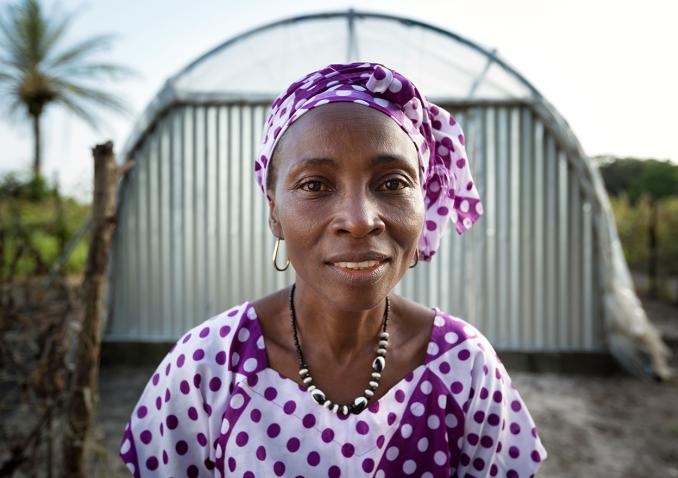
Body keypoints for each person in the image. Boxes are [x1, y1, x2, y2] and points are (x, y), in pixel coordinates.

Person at [119, 62, 548, 477]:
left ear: (424, 201)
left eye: (393, 183)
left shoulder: (465, 367)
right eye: (315, 185)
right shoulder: (207, 368)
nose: (360, 220)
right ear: (274, 211)